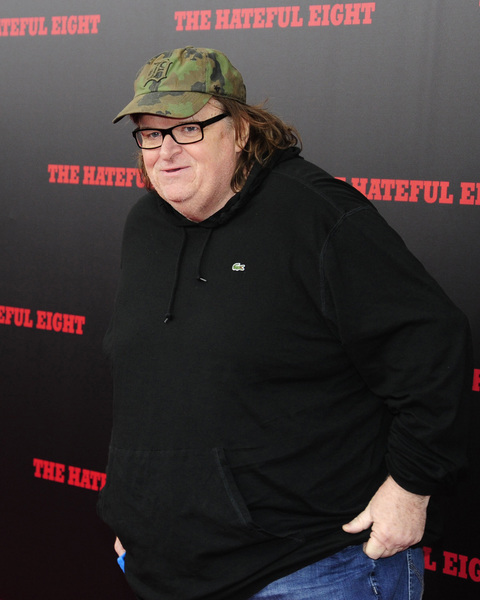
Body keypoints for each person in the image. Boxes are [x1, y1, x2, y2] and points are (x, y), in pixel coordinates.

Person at [98, 46, 472, 600]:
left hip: (312, 567)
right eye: (150, 134)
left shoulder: (316, 214)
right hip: (173, 569)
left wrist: (412, 488)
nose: (166, 151)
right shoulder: (146, 224)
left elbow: (433, 346)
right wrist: (138, 510)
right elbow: (152, 385)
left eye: (188, 129)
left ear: (240, 130)